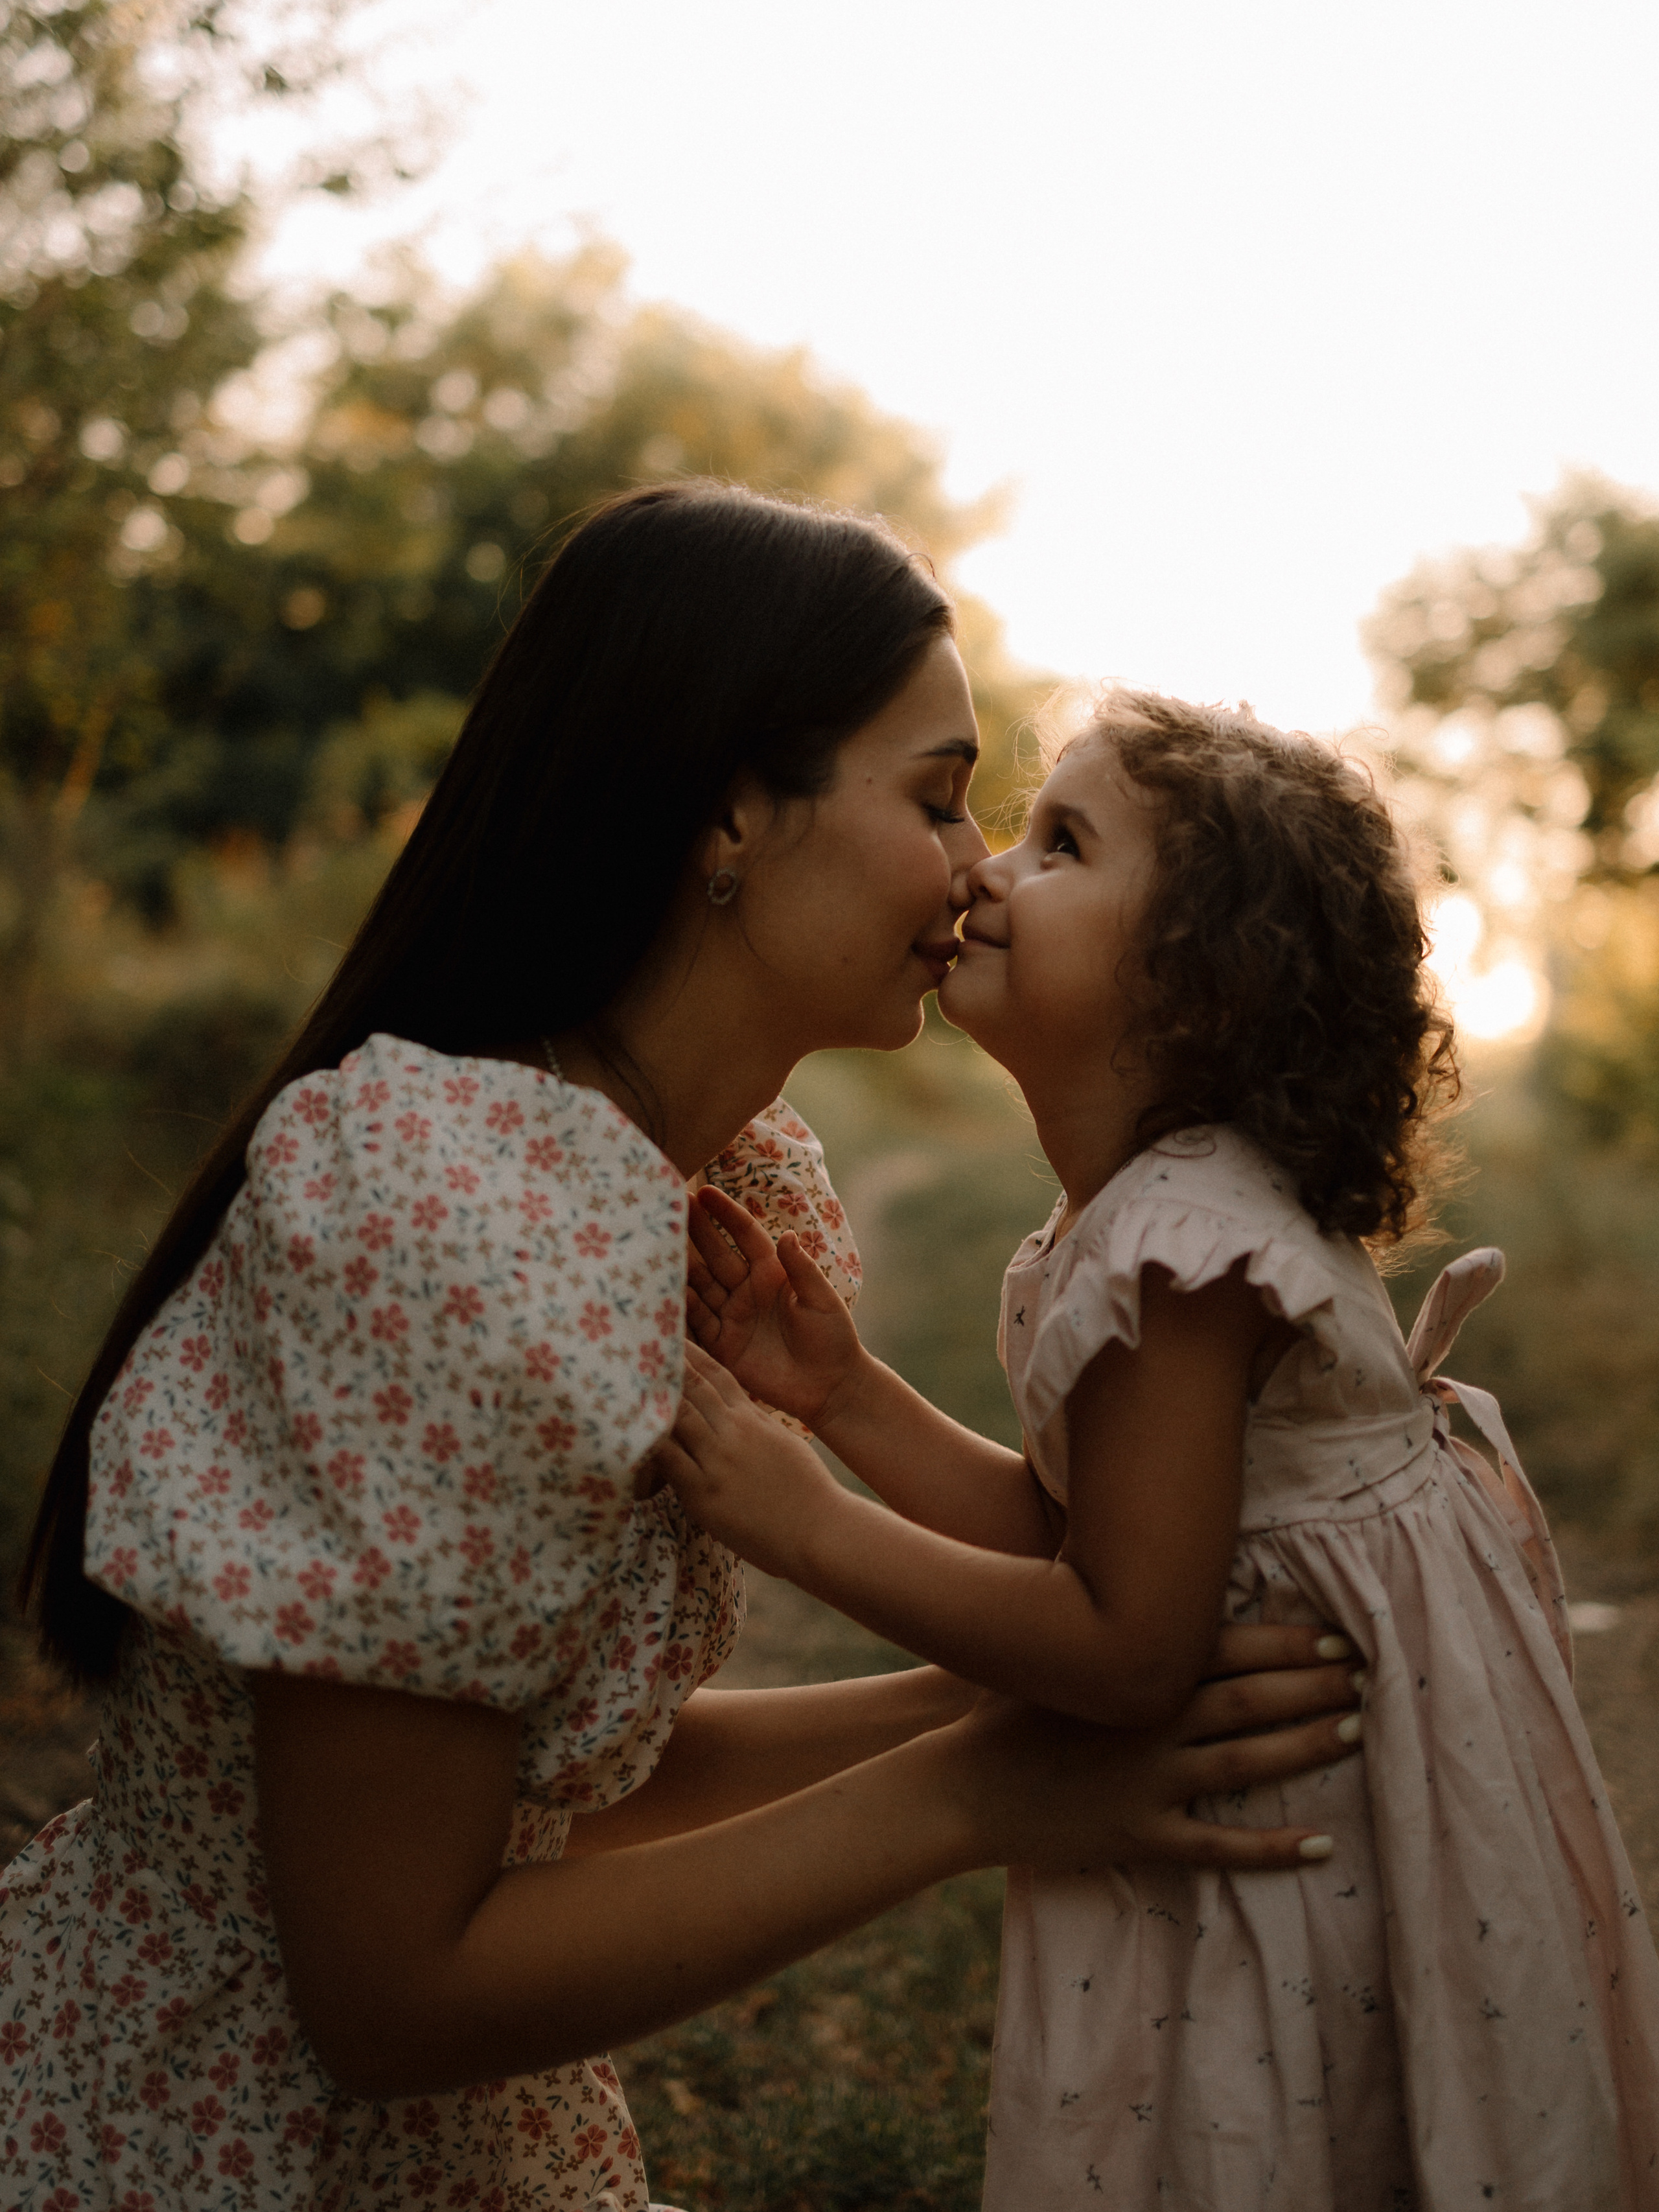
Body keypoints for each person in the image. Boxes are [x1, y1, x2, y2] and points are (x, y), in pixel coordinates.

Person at [0, 493, 1363, 2212]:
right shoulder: (457, 1224)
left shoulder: (691, 1179)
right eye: (937, 797)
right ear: (729, 806)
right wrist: (972, 1790)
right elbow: (385, 1993)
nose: (975, 868)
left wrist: (1000, 1688)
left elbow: (547, 1781)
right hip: (210, 2143)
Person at [663, 687, 1659, 2209]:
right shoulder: (1155, 1216)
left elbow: (1124, 1649)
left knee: (1259, 2140)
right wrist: (846, 1395)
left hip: (1288, 1832)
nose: (984, 868)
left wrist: (808, 1523)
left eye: (1060, 844)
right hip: (1302, 1793)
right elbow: (1081, 1540)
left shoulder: (1179, 1254)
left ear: (1199, 986)